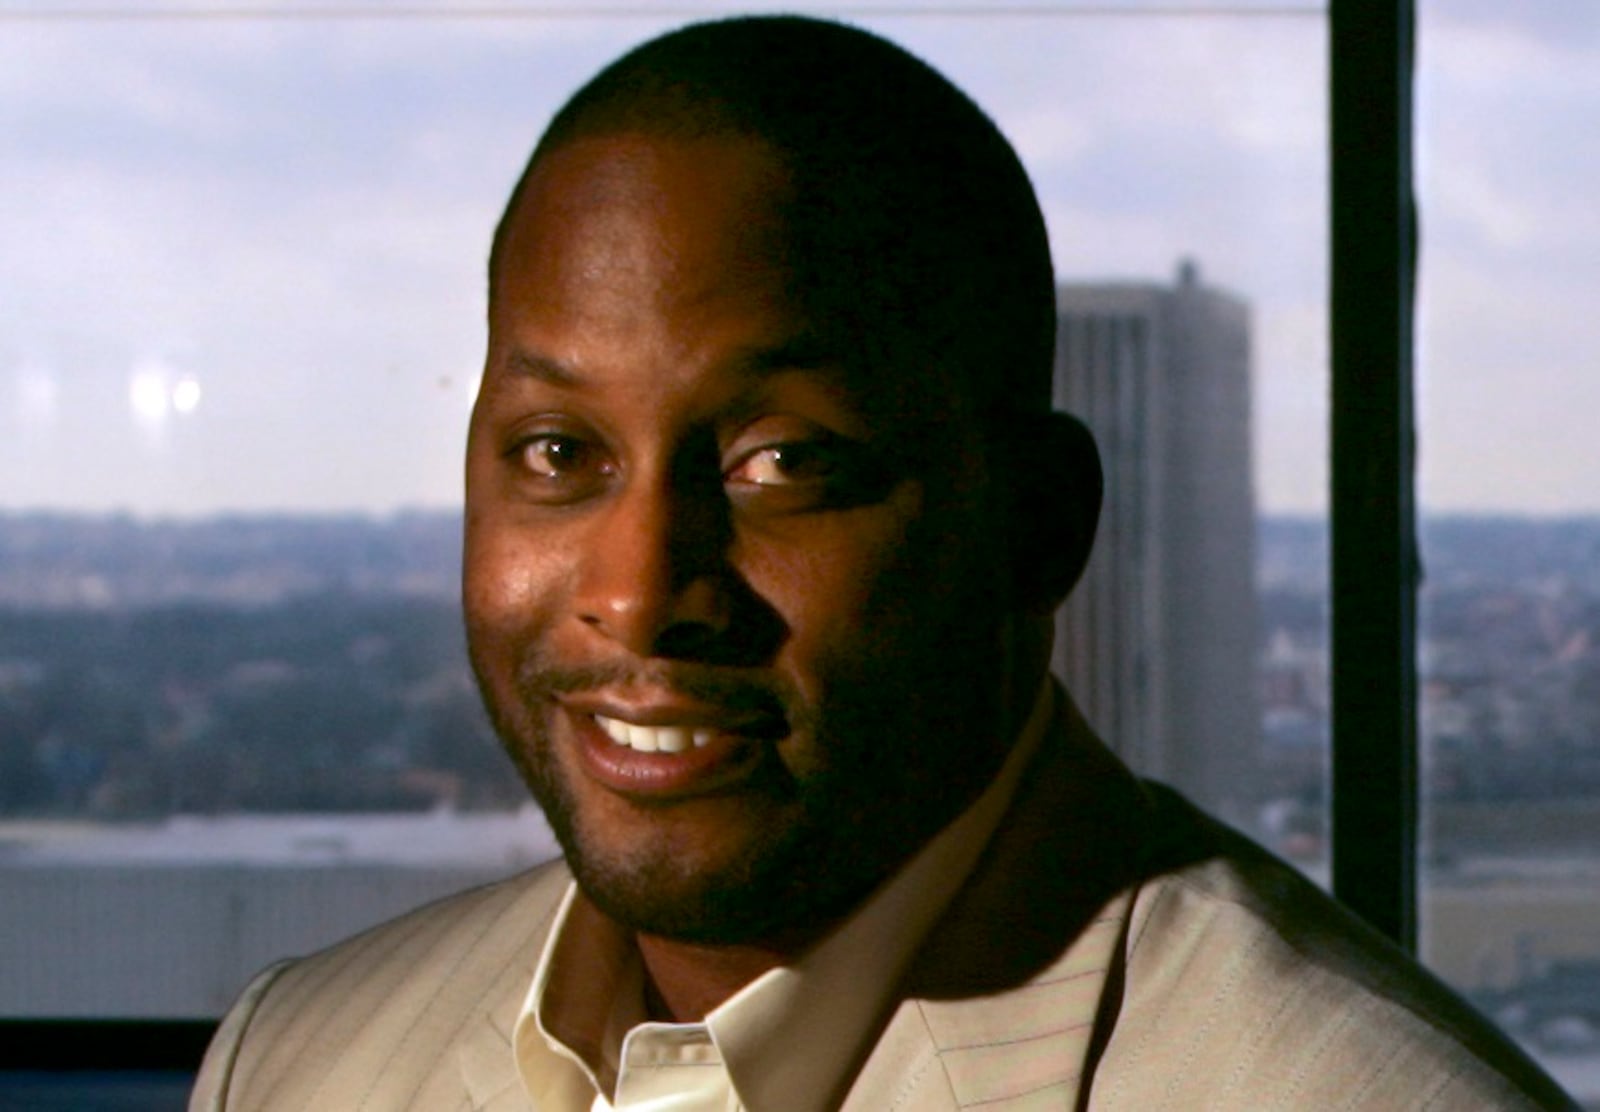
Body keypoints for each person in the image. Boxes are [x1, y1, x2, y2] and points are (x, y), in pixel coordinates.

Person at [191, 15, 1575, 1111]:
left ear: (1040, 526)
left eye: (783, 462)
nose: (634, 586)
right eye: (561, 454)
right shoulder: (297, 1070)